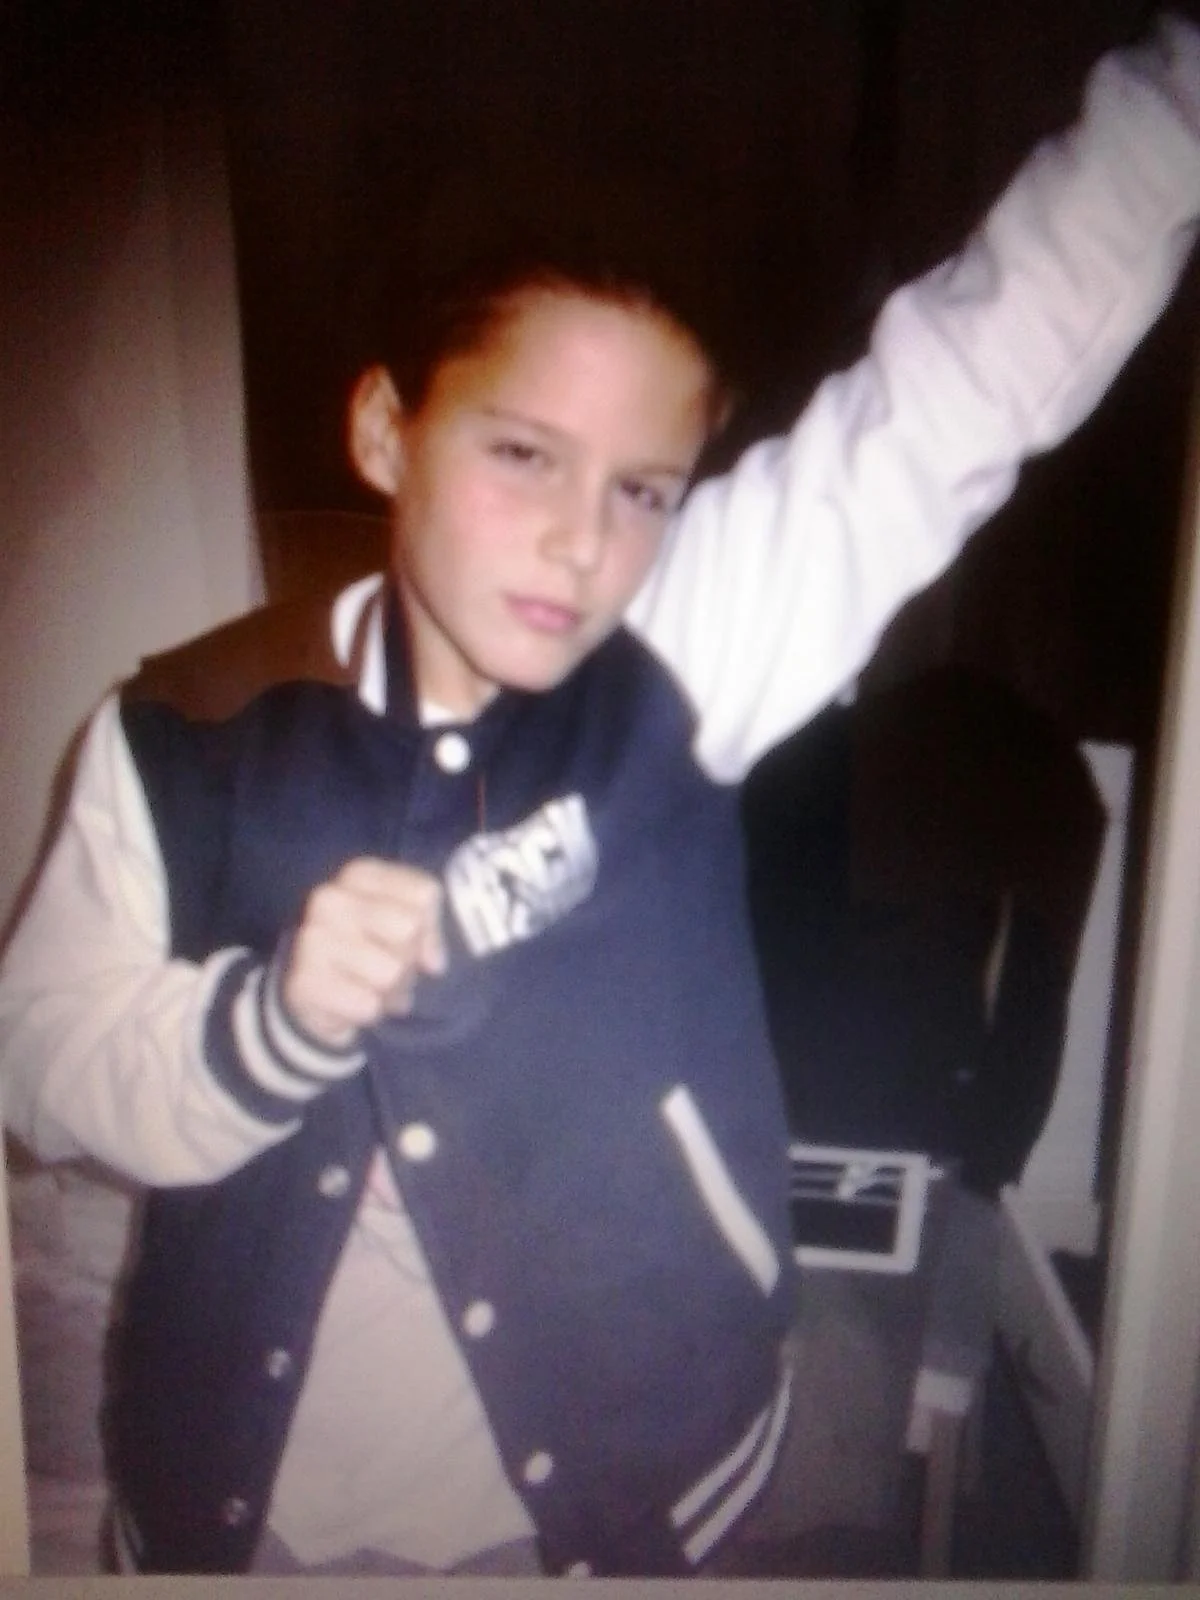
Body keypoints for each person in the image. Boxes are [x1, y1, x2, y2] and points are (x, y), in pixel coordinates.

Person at [3, 13, 1200, 1579]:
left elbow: (959, 390)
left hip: (627, 1482)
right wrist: (268, 1024)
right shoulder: (176, 736)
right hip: (247, 1508)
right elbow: (38, 1059)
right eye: (522, 454)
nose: (585, 541)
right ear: (385, 429)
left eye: (642, 489)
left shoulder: (680, 645)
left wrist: (1179, 102)